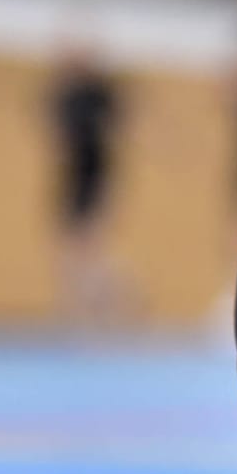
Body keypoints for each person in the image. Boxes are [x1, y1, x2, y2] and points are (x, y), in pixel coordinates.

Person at [51, 42, 132, 330]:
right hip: (72, 177)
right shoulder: (65, 96)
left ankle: (117, 304)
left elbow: (119, 126)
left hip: (95, 176)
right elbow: (58, 136)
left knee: (94, 249)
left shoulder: (99, 94)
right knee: (70, 251)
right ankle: (79, 311)